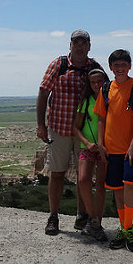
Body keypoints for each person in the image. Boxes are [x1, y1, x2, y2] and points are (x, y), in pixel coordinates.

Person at [37, 30, 102, 235]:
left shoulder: (94, 68)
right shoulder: (59, 64)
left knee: (84, 177)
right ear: (70, 45)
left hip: (85, 133)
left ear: (89, 46)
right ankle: (53, 217)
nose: (80, 46)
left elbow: (105, 96)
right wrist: (41, 125)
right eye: (76, 42)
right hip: (60, 128)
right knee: (57, 174)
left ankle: (81, 216)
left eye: (84, 43)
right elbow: (43, 92)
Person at [94, 49, 133, 252]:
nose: (120, 68)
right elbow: (100, 118)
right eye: (116, 65)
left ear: (130, 66)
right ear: (111, 68)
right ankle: (126, 228)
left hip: (131, 148)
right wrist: (100, 143)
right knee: (117, 189)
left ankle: (126, 227)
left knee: (130, 185)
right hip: (111, 148)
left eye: (124, 64)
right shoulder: (106, 89)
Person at [73, 68, 109, 242]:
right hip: (88, 147)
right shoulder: (85, 102)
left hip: (105, 149)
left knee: (101, 185)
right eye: (93, 82)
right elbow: (76, 128)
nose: (96, 85)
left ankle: (96, 223)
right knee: (83, 180)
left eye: (99, 81)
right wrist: (87, 143)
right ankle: (93, 218)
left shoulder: (111, 100)